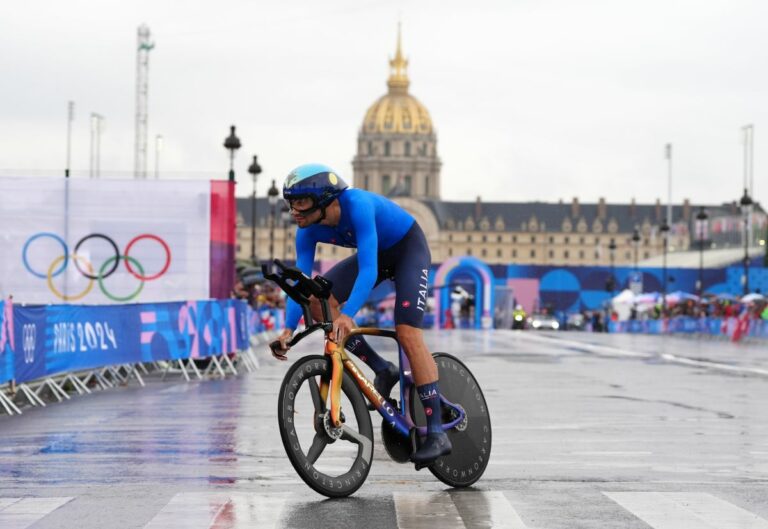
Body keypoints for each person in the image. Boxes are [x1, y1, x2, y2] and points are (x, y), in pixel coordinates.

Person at [272, 163, 451, 464]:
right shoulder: (305, 232)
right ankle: (383, 369)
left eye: (301, 202)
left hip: (407, 250)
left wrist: (348, 314)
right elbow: (298, 286)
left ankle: (437, 432)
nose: (294, 211)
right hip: (379, 255)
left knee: (407, 333)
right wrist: (288, 331)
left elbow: (367, 271)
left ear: (324, 199)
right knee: (318, 303)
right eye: (291, 203)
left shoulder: (358, 205)